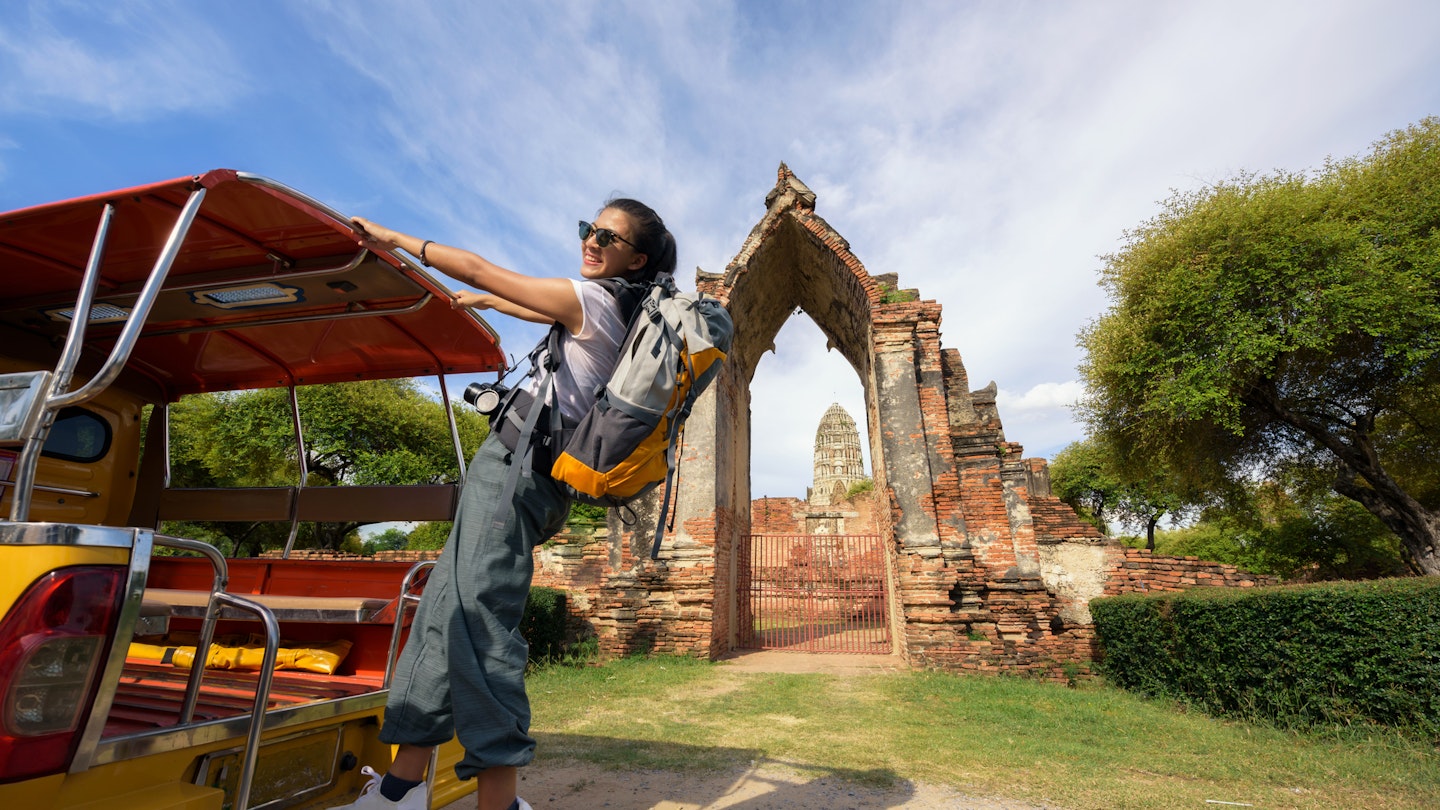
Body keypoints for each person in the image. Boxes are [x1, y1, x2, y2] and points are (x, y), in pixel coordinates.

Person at [338, 199, 676, 810]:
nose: (592, 241)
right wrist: (498, 306)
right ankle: (395, 795)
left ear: (637, 257)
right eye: (588, 229)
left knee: (480, 627)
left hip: (516, 478)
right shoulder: (623, 310)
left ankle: (500, 801)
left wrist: (391, 237)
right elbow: (522, 302)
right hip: (521, 476)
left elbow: (476, 267)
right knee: (443, 612)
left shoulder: (595, 299)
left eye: (608, 236)